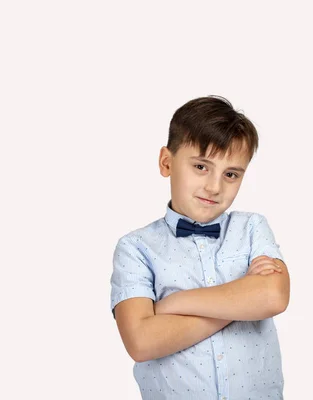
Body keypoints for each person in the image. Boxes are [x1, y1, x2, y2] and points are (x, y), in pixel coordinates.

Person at [110, 95, 290, 399]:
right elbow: (141, 342)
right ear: (166, 162)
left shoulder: (251, 228)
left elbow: (273, 295)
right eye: (201, 167)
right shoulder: (136, 248)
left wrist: (172, 305)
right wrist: (242, 298)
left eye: (231, 174)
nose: (214, 187)